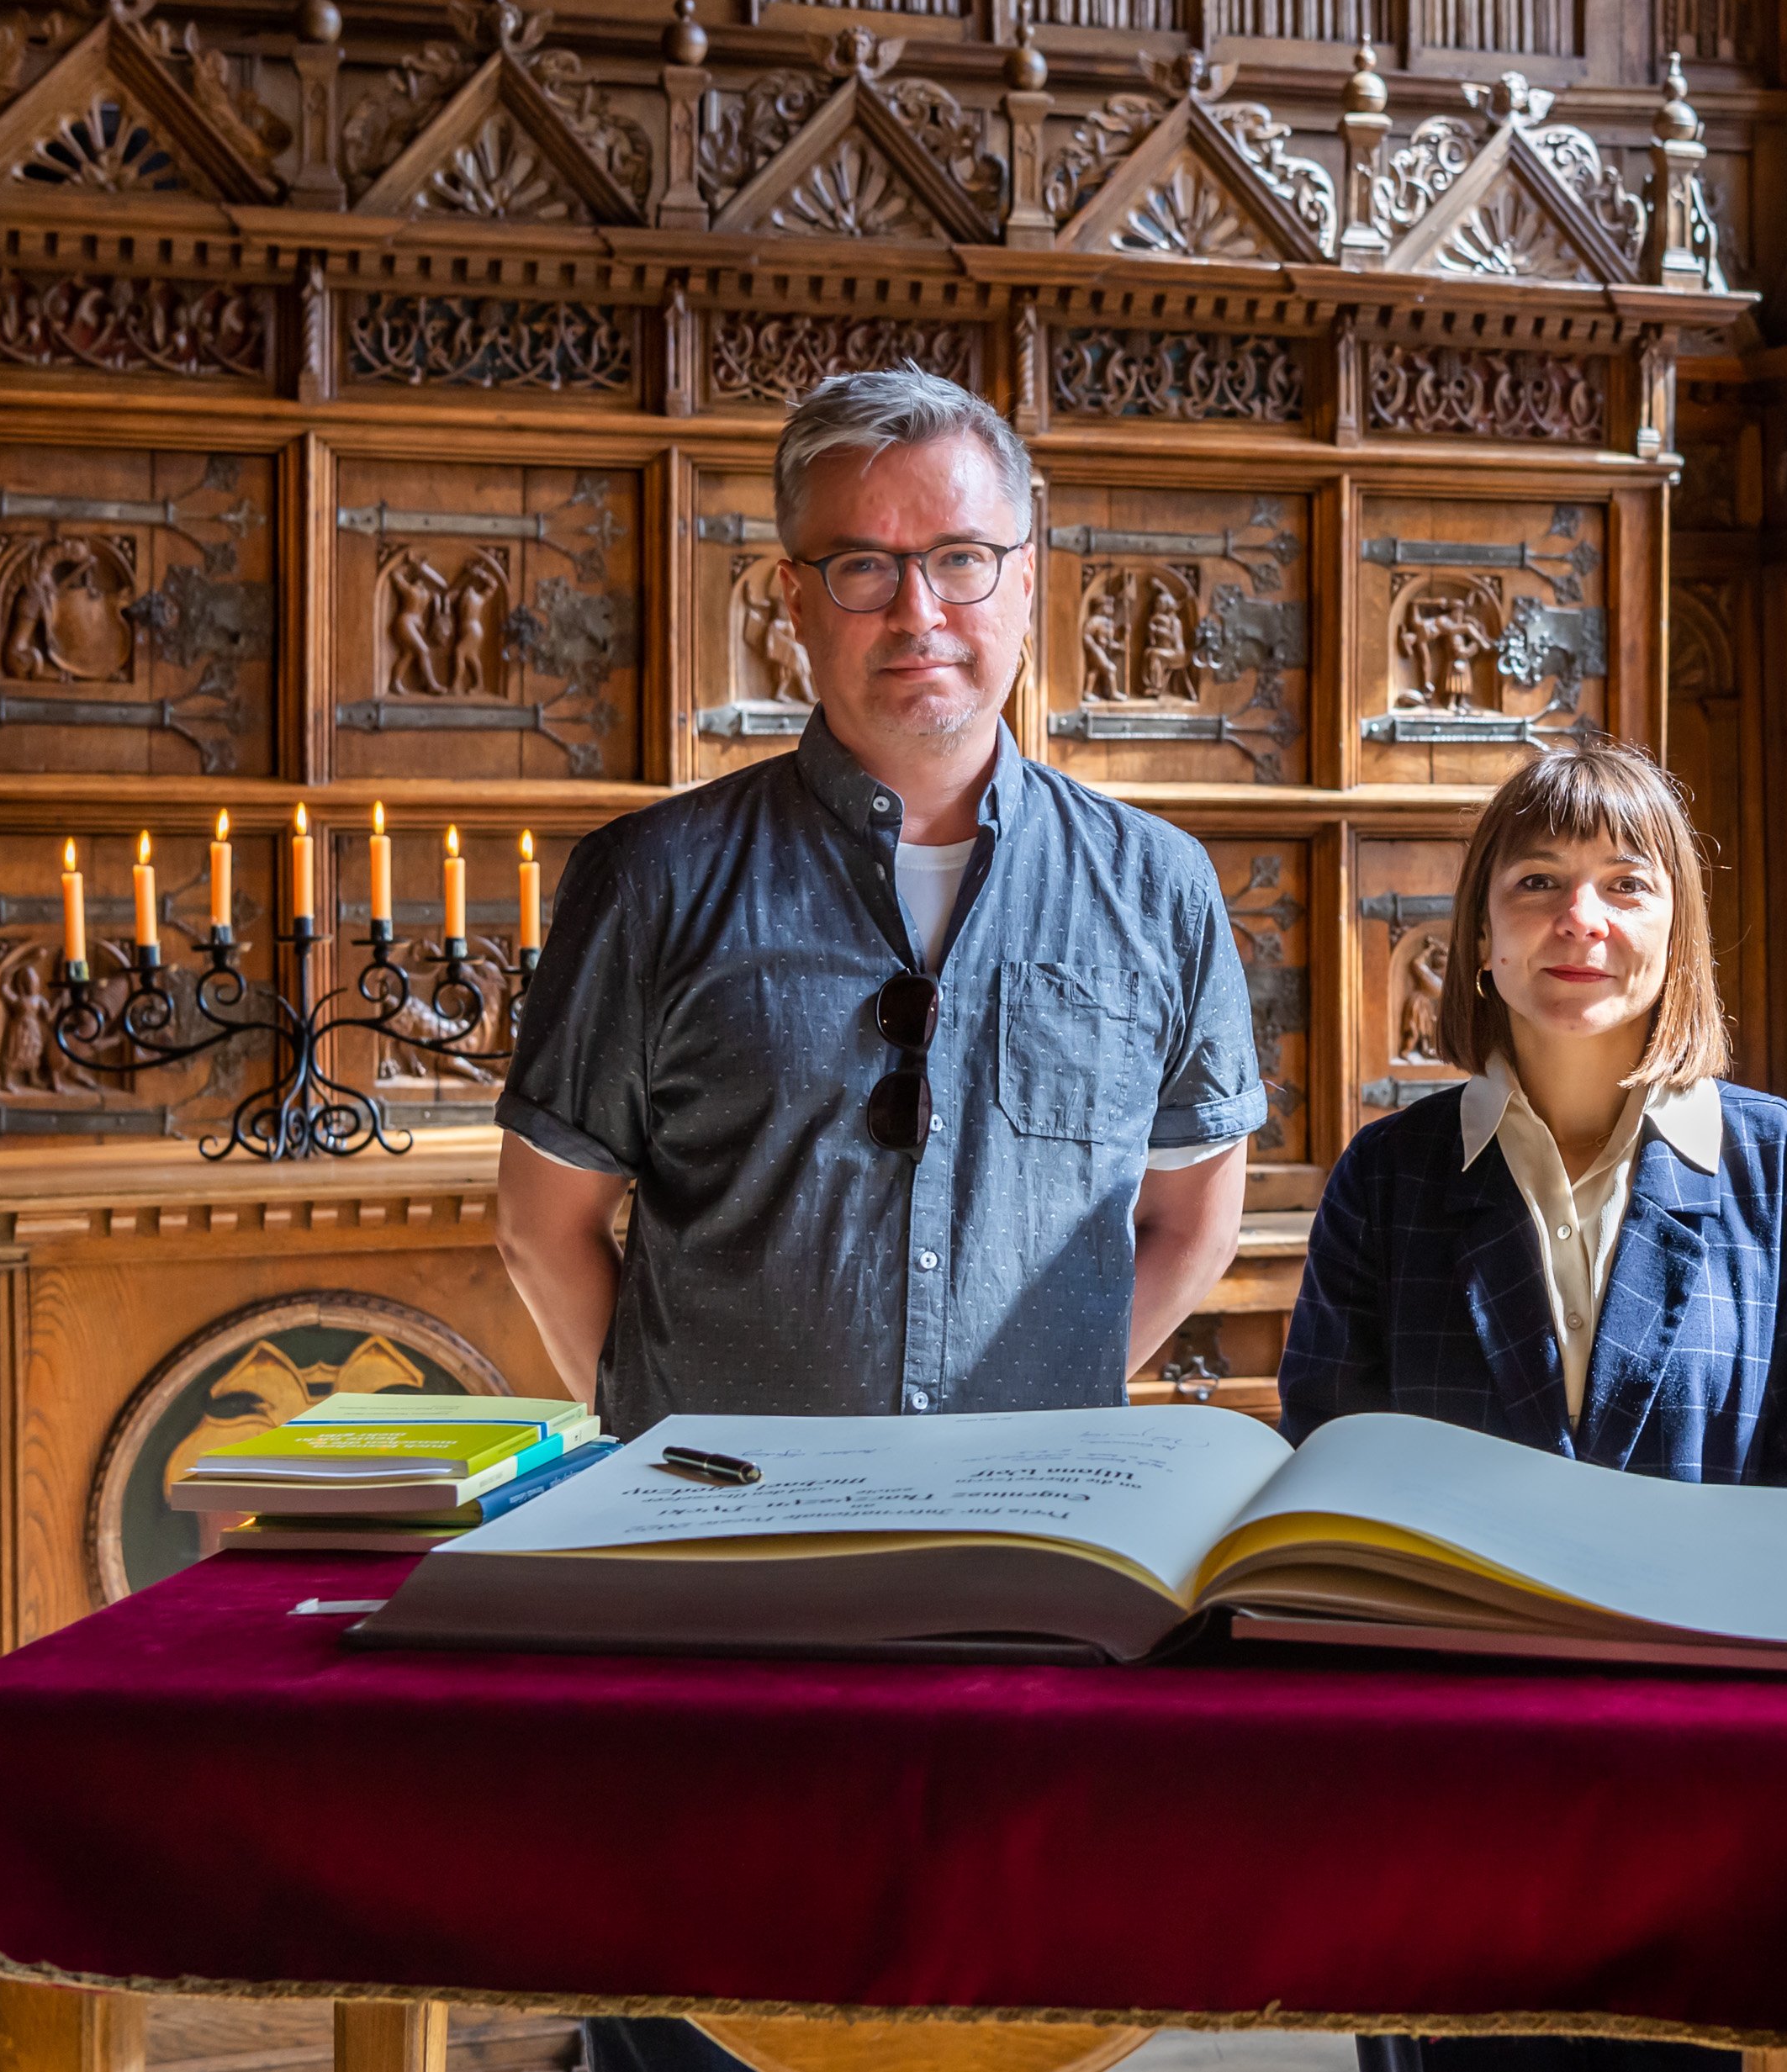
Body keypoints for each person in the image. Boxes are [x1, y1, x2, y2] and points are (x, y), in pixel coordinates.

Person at [491, 367, 1266, 2072]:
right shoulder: (655, 879)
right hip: (713, 1597)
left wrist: (1018, 1400)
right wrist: (661, 1438)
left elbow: (1192, 1218)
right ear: (790, 601)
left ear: (1026, 575)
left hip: (1030, 1598)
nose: (920, 608)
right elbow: (548, 1221)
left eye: (962, 559)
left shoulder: (1155, 886)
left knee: (1013, 2016)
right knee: (693, 2014)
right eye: (863, 566)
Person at [1283, 737, 1787, 2072]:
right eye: (1537, 881)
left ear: (1673, 928)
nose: (1582, 918)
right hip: (1450, 1780)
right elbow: (1324, 1497)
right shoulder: (1388, 1180)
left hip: (1706, 1779)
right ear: (1479, 937)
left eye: (1626, 882)